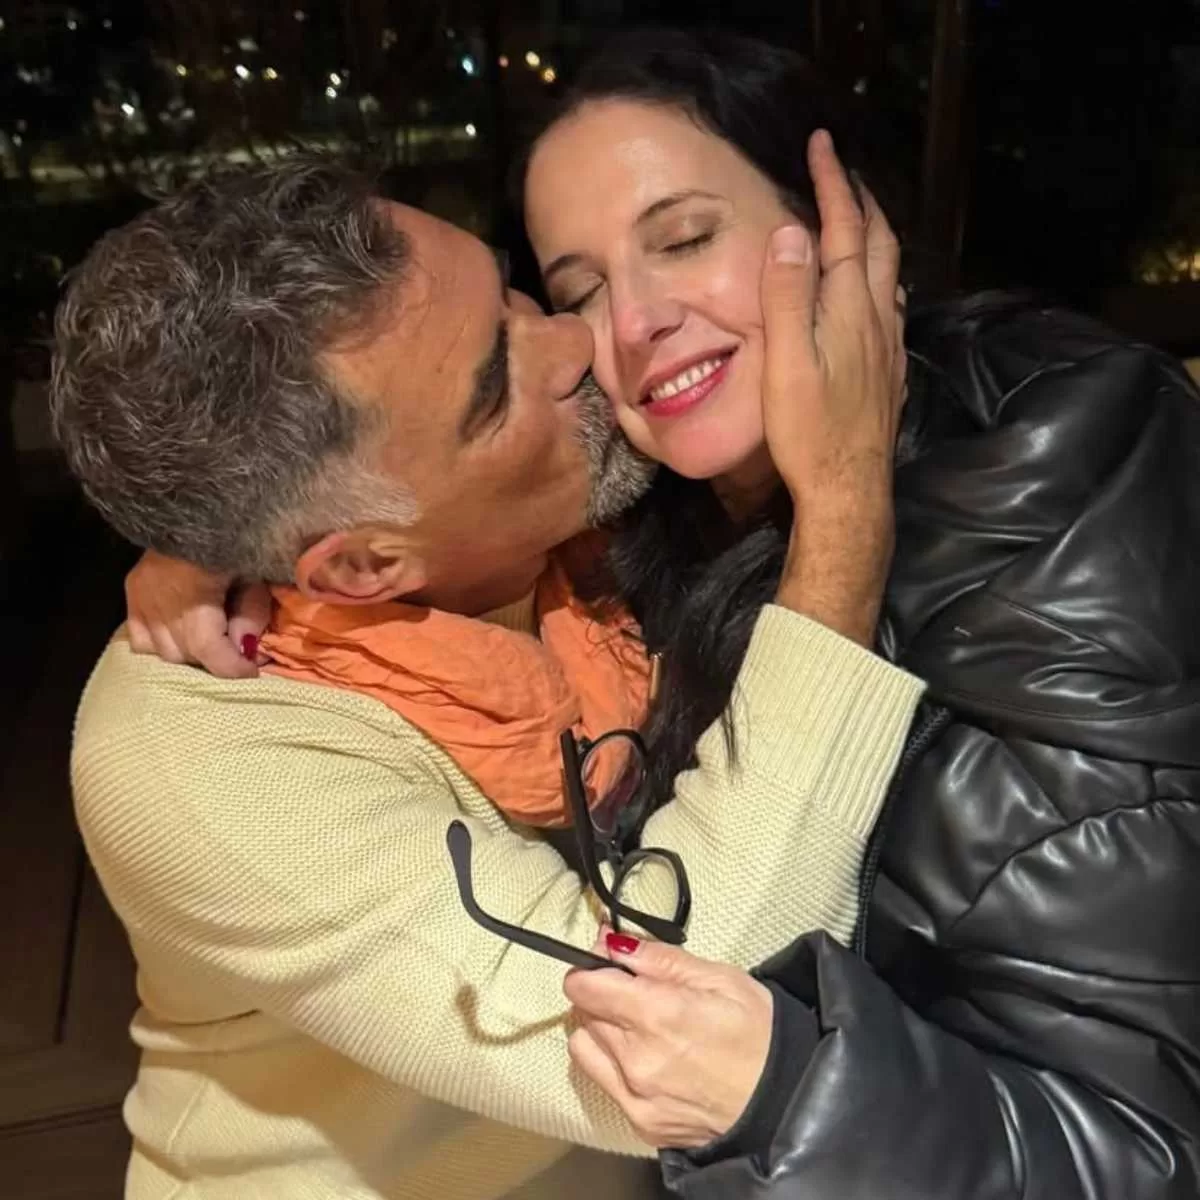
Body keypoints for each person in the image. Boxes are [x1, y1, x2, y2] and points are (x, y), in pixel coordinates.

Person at [133, 27, 1200, 1200]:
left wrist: (788, 1090)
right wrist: (208, 545)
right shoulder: (629, 519)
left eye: (685, 238)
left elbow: (1137, 1145)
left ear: (842, 222)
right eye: (574, 292)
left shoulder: (1052, 505)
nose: (608, 334)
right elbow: (673, 990)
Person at [51, 150, 924, 1197]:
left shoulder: (569, 518)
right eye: (497, 384)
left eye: (515, 295)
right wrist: (845, 503)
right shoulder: (198, 758)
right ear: (364, 568)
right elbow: (683, 1021)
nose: (578, 342)